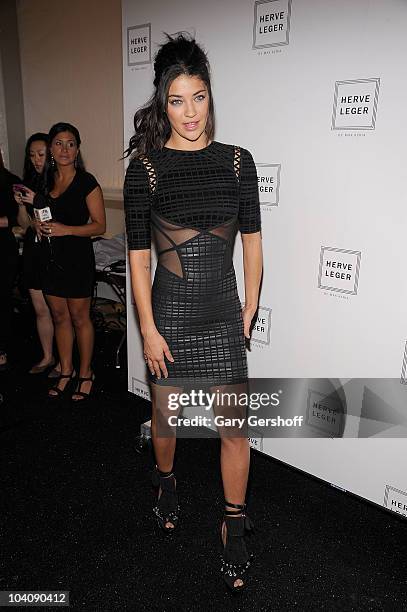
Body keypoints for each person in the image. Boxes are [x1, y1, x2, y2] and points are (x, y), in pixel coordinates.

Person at [124, 34, 263, 592]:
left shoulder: (237, 162)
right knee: (168, 420)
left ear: (210, 96)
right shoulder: (147, 170)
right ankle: (165, 482)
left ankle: (233, 524)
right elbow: (137, 259)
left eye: (199, 97)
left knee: (235, 428)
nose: (189, 112)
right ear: (163, 102)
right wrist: (149, 330)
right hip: (171, 316)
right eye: (177, 100)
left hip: (223, 315)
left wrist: (249, 304)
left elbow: (251, 242)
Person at [38, 122, 106, 401]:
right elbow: (38, 214)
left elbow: (100, 226)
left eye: (70, 144)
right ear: (51, 149)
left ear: (77, 149)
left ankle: (85, 373)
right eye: (58, 143)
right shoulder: (44, 181)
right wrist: (37, 225)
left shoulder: (87, 182)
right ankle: (65, 370)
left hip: (77, 259)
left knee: (79, 318)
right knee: (58, 317)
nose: (65, 149)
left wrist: (66, 229)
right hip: (50, 258)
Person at [15, 133, 61, 375]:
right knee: (40, 308)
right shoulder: (29, 182)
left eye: (41, 154)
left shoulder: (58, 181)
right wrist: (22, 204)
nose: (36, 159)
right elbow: (25, 225)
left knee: (58, 311)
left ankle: (66, 363)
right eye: (31, 155)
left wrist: (39, 201)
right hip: (33, 250)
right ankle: (47, 356)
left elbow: (57, 221)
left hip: (54, 252)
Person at [0, 151, 20, 371]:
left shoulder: (11, 182)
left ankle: (2, 348)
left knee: (2, 299)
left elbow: (20, 218)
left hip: (4, 249)